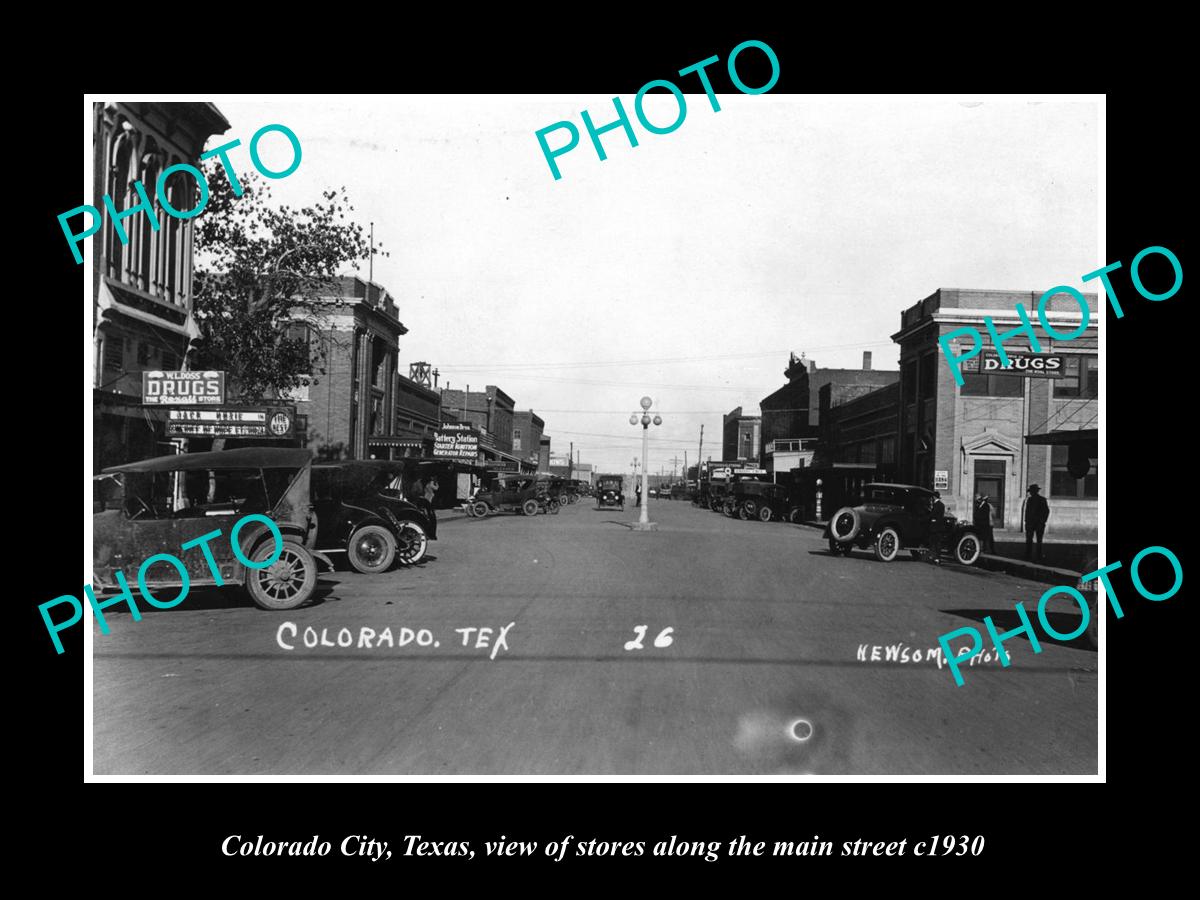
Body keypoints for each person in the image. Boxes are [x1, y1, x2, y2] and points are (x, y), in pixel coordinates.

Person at [1024, 484, 1049, 562]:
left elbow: (1046, 511)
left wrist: (1042, 521)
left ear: (1035, 491)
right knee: (1030, 539)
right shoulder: (1030, 500)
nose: (1031, 493)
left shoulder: (1042, 500)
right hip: (1031, 523)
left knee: (1037, 540)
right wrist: (1026, 521)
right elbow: (1027, 511)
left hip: (1038, 523)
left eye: (1031, 491)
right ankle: (1030, 554)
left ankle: (1037, 555)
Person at [926, 490, 946, 565]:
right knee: (937, 543)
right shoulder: (941, 505)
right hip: (939, 526)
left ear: (934, 497)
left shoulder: (937, 505)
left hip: (935, 527)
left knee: (934, 542)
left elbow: (933, 514)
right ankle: (936, 557)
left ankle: (936, 557)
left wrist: (928, 517)